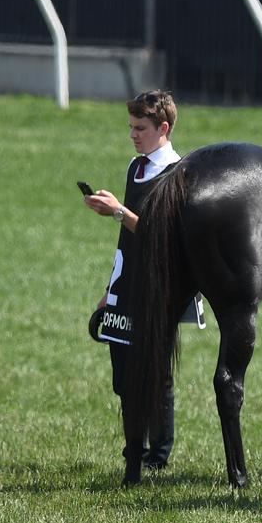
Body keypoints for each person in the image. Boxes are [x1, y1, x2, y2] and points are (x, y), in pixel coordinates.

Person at [83, 90, 190, 472]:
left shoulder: (178, 172)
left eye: (140, 128)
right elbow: (128, 239)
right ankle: (136, 447)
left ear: (163, 127)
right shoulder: (135, 167)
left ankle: (156, 456)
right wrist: (109, 291)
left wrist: (118, 212)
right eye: (130, 127)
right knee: (123, 375)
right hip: (125, 287)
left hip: (157, 289)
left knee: (154, 374)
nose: (133, 134)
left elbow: (163, 237)